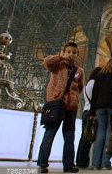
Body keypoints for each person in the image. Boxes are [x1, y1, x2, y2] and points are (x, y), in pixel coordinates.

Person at [37, 42, 85, 173]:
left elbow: (80, 87)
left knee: (70, 136)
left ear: (77, 54)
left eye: (74, 52)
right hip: (56, 104)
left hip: (71, 107)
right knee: (49, 134)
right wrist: (60, 57)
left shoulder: (80, 71)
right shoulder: (57, 65)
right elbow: (47, 62)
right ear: (64, 52)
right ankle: (42, 163)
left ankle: (69, 165)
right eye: (68, 51)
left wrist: (74, 98)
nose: (71, 54)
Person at [91, 58, 112, 170]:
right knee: (110, 134)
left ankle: (95, 164)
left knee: (100, 135)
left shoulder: (99, 75)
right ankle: (105, 163)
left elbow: (94, 94)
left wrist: (92, 112)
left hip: (100, 108)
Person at [76, 66, 101, 169]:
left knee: (84, 138)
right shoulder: (95, 83)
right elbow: (95, 100)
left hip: (86, 111)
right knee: (87, 139)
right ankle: (83, 162)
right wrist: (94, 114)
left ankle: (80, 161)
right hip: (91, 113)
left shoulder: (88, 84)